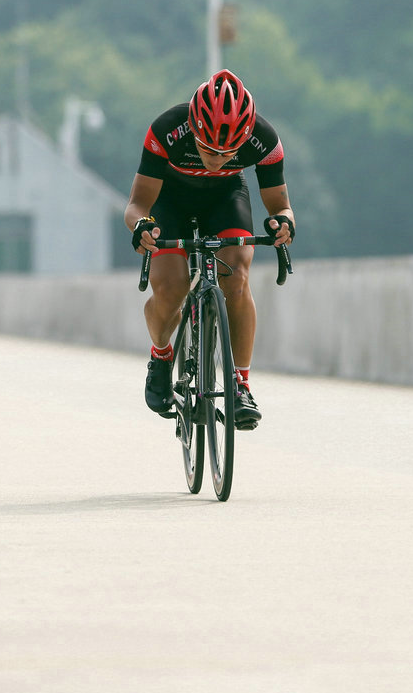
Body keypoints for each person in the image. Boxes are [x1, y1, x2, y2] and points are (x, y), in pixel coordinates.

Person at [123, 70, 295, 430]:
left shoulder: (264, 140)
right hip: (170, 200)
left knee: (238, 277)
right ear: (193, 129)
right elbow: (137, 205)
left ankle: (241, 385)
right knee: (170, 290)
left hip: (225, 198)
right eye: (207, 149)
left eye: (227, 152)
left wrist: (283, 224)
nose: (216, 159)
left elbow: (280, 206)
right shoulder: (167, 129)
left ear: (245, 137)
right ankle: (161, 354)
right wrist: (142, 227)